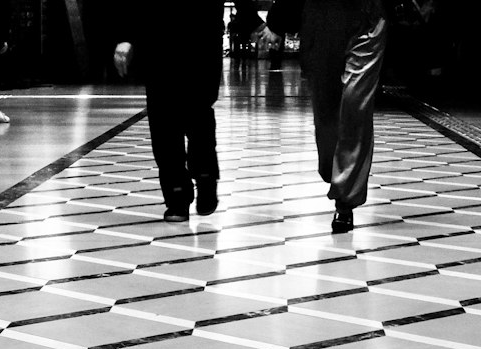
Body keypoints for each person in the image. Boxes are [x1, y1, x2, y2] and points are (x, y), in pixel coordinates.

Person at [113, 2, 265, 224]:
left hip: (200, 40)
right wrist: (125, 37)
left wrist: (253, 21)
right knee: (163, 120)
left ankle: (205, 176)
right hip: (158, 41)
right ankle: (177, 194)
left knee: (198, 114)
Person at [261, 0, 389, 233]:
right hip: (319, 18)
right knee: (326, 109)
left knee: (354, 106)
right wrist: (278, 19)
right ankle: (335, 171)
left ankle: (345, 201)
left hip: (367, 18)